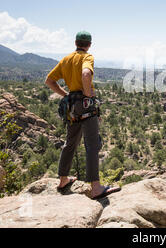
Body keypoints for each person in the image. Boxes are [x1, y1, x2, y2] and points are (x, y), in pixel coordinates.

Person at [45, 31, 121, 199]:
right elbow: (86, 74)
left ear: (75, 42)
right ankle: (95, 188)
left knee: (70, 142)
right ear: (89, 44)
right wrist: (88, 96)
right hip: (86, 105)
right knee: (92, 145)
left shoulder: (66, 59)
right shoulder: (87, 57)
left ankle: (63, 179)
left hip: (72, 106)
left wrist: (66, 95)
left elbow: (49, 81)